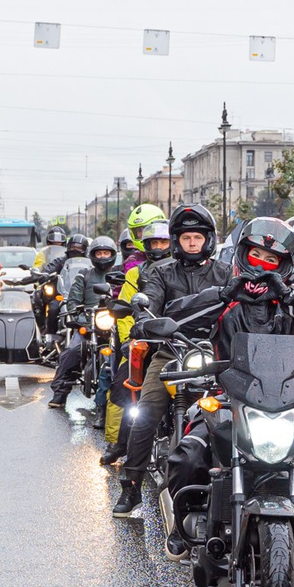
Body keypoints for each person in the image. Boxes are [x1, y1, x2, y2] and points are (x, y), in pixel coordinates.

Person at [154, 217, 294, 561]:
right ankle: (183, 524)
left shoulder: (291, 303)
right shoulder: (225, 299)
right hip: (225, 399)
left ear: (285, 266)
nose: (261, 265)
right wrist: (223, 293)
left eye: (270, 260)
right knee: (189, 454)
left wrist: (289, 295)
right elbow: (174, 316)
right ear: (243, 254)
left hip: (282, 407)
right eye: (256, 255)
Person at [112, 203, 230, 515]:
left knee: (242, 409)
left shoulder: (226, 272)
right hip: (172, 351)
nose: (193, 243)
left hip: (217, 353)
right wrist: (143, 315)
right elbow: (148, 300)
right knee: (146, 410)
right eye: (186, 237)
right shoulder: (162, 274)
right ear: (177, 241)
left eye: (198, 237)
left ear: (208, 240)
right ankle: (131, 486)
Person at [45, 233, 124, 409]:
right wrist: (80, 317)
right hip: (89, 325)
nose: (103, 257)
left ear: (113, 254)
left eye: (106, 253)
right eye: (99, 254)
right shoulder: (84, 275)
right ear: (92, 255)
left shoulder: (120, 274)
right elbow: (73, 301)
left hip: (115, 324)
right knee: (73, 350)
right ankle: (60, 392)